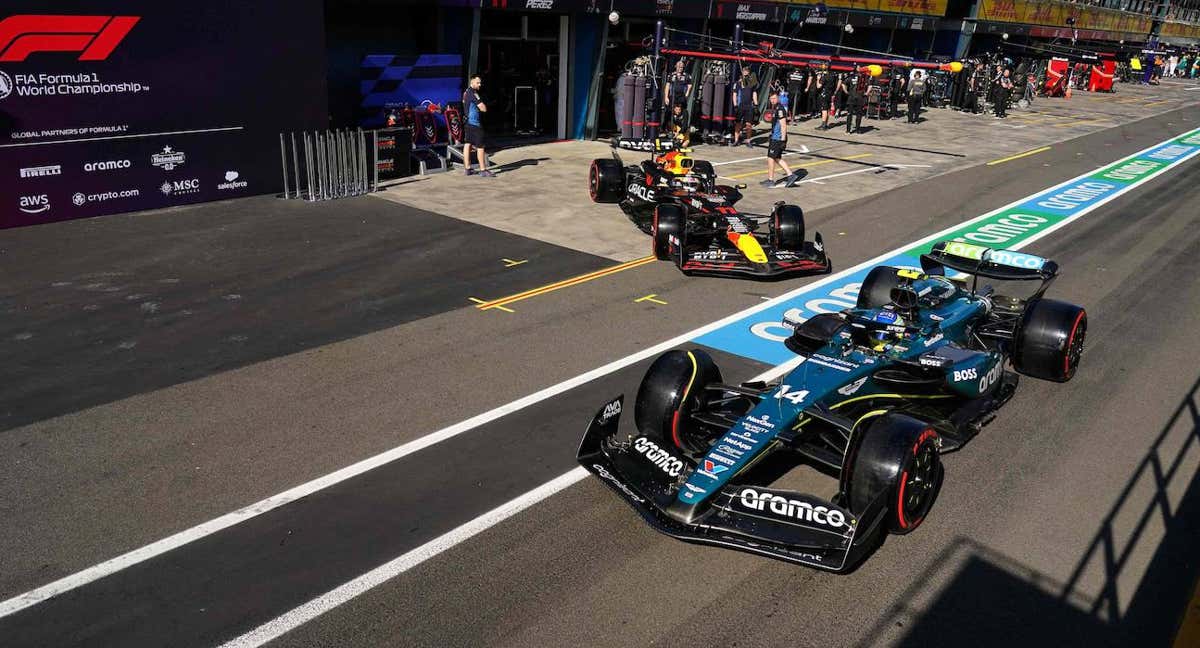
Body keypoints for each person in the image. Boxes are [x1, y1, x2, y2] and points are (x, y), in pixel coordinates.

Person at [762, 91, 804, 188]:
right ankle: (790, 175)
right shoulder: (775, 108)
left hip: (778, 138)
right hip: (775, 137)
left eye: (774, 98)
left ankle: (771, 180)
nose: (772, 100)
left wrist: (783, 140)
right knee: (776, 158)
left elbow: (783, 125)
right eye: (771, 99)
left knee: (771, 158)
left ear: (778, 98)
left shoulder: (780, 109)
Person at [462, 75, 494, 177]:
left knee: (468, 144)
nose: (480, 84)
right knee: (480, 146)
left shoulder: (466, 92)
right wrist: (484, 106)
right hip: (475, 124)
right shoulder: (474, 93)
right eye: (478, 83)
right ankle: (483, 170)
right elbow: (483, 108)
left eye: (480, 82)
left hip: (467, 123)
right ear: (472, 83)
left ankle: (468, 169)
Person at [732, 66, 758, 148]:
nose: (746, 72)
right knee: (738, 124)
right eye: (744, 71)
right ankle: (736, 140)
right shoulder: (738, 83)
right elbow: (734, 94)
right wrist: (735, 105)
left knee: (749, 124)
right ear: (742, 72)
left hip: (749, 106)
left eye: (747, 71)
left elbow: (754, 93)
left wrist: (756, 105)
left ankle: (748, 141)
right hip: (740, 105)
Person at [843, 68, 865, 134]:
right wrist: (866, 93)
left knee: (850, 114)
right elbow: (869, 85)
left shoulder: (851, 77)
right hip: (859, 97)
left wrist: (846, 92)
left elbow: (843, 84)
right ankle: (858, 130)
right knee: (859, 115)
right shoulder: (864, 78)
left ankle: (848, 130)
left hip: (851, 97)